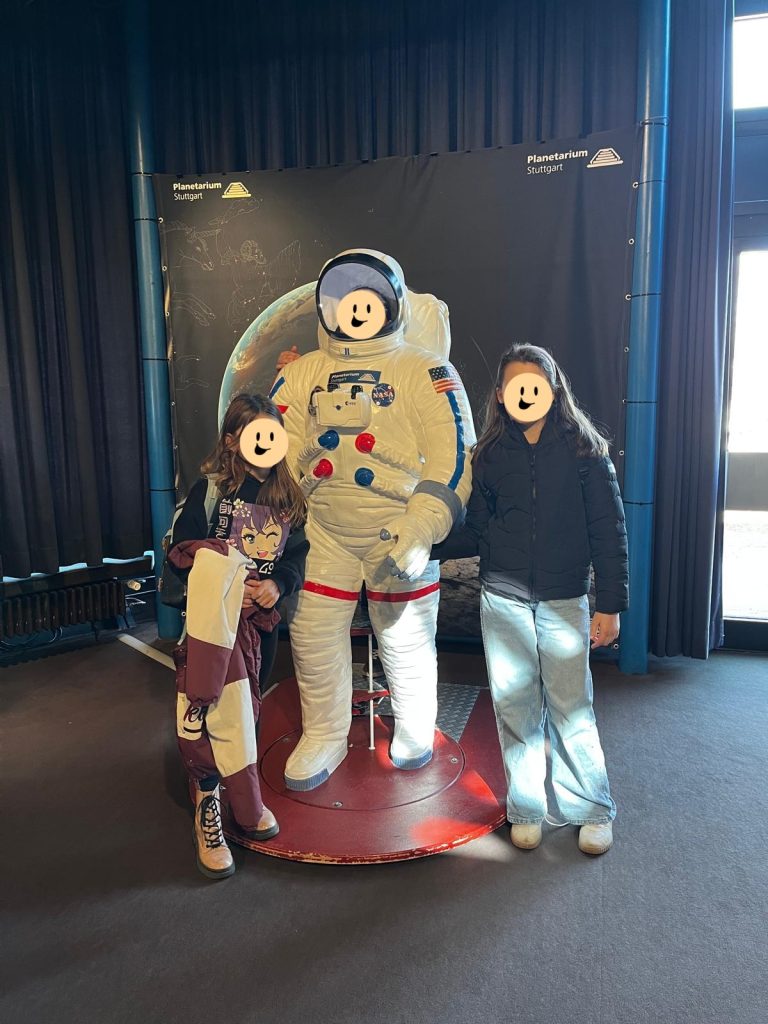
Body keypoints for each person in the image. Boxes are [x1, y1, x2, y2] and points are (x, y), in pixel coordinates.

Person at [270, 249, 475, 790]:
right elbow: (274, 450)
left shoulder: (426, 371)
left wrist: (422, 528)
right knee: (313, 637)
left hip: (398, 527)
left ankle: (414, 726)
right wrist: (277, 520)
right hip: (321, 533)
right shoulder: (302, 375)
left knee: (406, 640)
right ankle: (324, 733)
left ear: (393, 303)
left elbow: (454, 455)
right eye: (343, 298)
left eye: (369, 297)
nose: (356, 310)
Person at [435, 344, 627, 855]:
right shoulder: (489, 455)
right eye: (514, 386)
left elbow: (609, 531)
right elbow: (477, 528)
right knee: (515, 708)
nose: (525, 394)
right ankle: (525, 807)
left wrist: (609, 605)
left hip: (565, 600)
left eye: (535, 384)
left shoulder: (586, 451)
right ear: (500, 395)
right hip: (503, 601)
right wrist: (423, 544)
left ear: (554, 389)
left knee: (572, 708)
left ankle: (591, 808)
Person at [169, 394, 309, 878]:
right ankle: (207, 800)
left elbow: (296, 555)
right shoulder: (209, 492)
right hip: (213, 625)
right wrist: (223, 576)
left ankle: (242, 793)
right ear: (232, 440)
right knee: (205, 707)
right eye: (254, 434)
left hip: (259, 628)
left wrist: (278, 585)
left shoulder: (287, 496)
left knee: (245, 709)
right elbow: (180, 552)